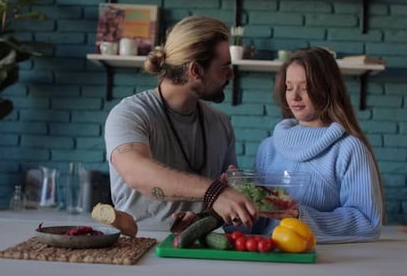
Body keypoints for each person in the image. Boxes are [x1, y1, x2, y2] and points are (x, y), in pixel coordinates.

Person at [104, 16, 258, 231]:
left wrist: (206, 216)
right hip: (136, 251)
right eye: (224, 67)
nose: (230, 74)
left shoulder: (221, 123)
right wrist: (215, 191)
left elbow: (226, 199)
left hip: (202, 252)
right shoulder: (130, 113)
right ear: (195, 71)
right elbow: (137, 173)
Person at [226, 47, 384, 243]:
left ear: (327, 89)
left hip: (325, 263)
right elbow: (259, 224)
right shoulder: (269, 148)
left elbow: (367, 222)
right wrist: (236, 197)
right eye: (289, 87)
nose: (294, 96)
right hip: (268, 257)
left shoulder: (349, 149)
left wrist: (300, 218)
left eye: (305, 87)